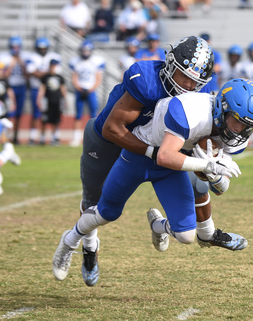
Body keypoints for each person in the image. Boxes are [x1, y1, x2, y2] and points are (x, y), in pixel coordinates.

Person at [52, 36, 238, 287]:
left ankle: (184, 229)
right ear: (171, 64)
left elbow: (195, 140)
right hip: (108, 140)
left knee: (193, 195)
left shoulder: (199, 93)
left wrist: (211, 163)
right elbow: (112, 129)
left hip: (157, 150)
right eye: (185, 76)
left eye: (197, 81)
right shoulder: (147, 81)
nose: (189, 85)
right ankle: (88, 247)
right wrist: (153, 152)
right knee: (94, 205)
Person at [0, 36, 31, 145]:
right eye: (13, 46)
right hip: (9, 87)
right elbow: (4, 75)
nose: (15, 49)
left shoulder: (24, 57)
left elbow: (27, 76)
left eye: (17, 46)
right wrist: (11, 65)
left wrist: (21, 63)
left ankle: (15, 137)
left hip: (21, 87)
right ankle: (6, 137)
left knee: (19, 114)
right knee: (8, 113)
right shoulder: (4, 57)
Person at [69, 41, 105, 147]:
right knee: (78, 115)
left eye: (87, 50)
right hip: (80, 90)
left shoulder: (96, 62)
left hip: (91, 91)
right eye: (84, 50)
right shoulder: (76, 61)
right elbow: (74, 78)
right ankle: (76, 138)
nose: (85, 52)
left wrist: (90, 89)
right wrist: (79, 88)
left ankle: (95, 138)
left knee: (94, 115)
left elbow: (98, 79)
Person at [26, 37, 62, 145]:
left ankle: (51, 137)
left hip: (51, 91)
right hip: (36, 88)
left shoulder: (53, 56)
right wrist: (47, 73)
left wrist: (41, 73)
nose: (42, 50)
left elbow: (56, 73)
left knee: (53, 114)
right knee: (36, 113)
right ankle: (33, 137)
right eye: (40, 48)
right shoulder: (33, 57)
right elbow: (32, 72)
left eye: (44, 48)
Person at [37, 60, 67, 146]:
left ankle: (55, 137)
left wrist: (65, 100)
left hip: (57, 101)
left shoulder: (60, 77)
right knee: (44, 119)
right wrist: (39, 99)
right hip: (47, 101)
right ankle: (42, 137)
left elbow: (63, 89)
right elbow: (42, 88)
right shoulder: (45, 77)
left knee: (56, 119)